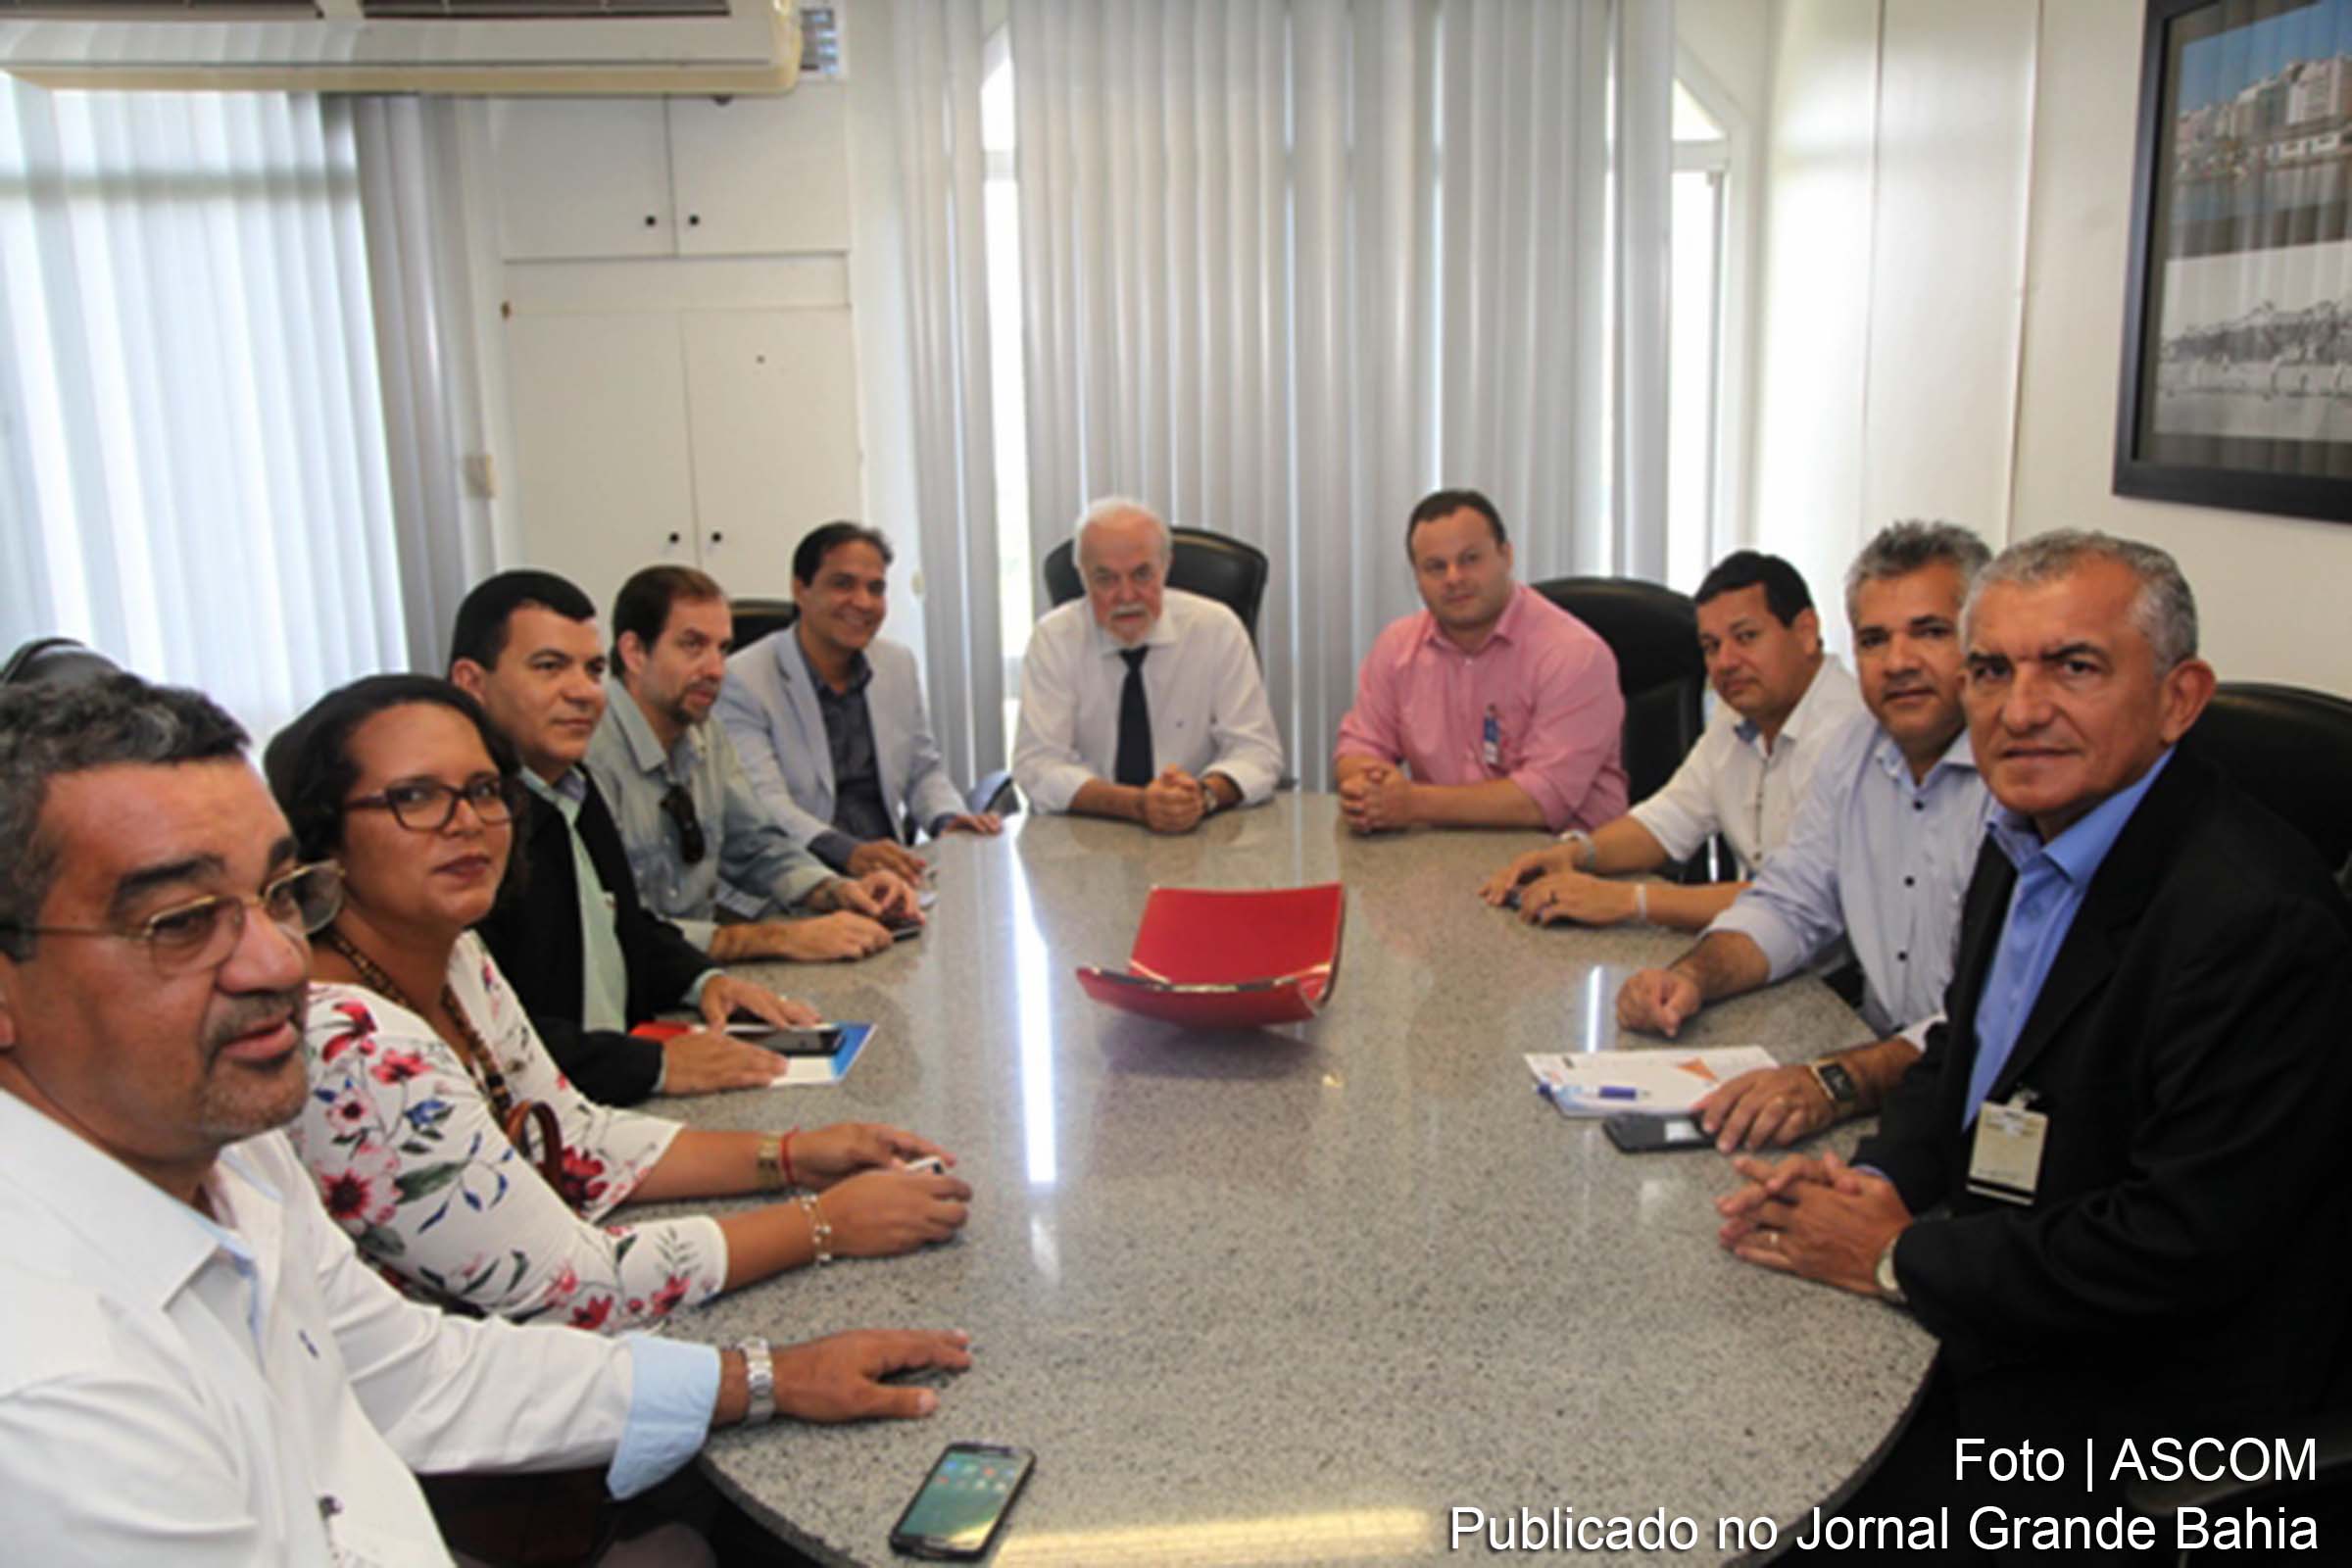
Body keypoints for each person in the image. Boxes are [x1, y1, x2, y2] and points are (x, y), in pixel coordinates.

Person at [0, 674, 972, 1563]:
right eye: (178, 922)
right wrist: (816, 1224)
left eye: (278, 897)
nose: (278, 963)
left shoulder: (230, 1150)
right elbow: (559, 1289)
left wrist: (768, 1373)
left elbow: (418, 1372)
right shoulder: (55, 1396)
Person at [1715, 531, 2352, 1522]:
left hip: (2138, 1409)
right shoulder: (2023, 837)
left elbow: (2178, 1247)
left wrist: (1894, 1254)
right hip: (2003, 1302)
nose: (2020, 711)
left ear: (2180, 697)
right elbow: (1960, 1064)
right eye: (1992, 670)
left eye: (2075, 667)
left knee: (1790, 1520)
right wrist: (1870, 1182)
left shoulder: (2257, 921)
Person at [267, 674, 973, 1333]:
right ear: (324, 836)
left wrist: (794, 1154)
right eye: (414, 797)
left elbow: (575, 1138)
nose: (467, 821)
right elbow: (561, 1285)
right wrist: (823, 1224)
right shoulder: (349, 1044)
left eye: (484, 789)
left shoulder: (453, 952)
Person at [1615, 521, 1995, 1151]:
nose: (1898, 662)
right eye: (1875, 640)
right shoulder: (1858, 750)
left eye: (1929, 632)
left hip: (1980, 1101)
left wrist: (1836, 1082)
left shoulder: (2021, 782)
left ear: (1984, 643)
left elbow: (1988, 1019)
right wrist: (1692, 976)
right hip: (1886, 1079)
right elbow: (1791, 903)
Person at [449, 569, 818, 1107]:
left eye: (592, 669)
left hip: (615, 1083)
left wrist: (705, 981)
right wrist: (656, 1063)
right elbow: (490, 1034)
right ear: (471, 683)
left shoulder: (569, 786)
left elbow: (623, 926)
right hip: (555, 1116)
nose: (582, 692)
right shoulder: (464, 831)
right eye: (550, 667)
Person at [1479, 549, 1863, 929]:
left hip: (1833, 978)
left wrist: (1629, 901)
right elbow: (1670, 819)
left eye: (1746, 637)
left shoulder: (1849, 735)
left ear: (1806, 633)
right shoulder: (1740, 717)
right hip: (1766, 946)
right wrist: (1576, 855)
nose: (1725, 662)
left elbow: (1794, 896)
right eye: (1711, 646)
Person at [589, 564, 919, 962]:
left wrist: (836, 891)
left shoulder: (705, 734)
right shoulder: (587, 755)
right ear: (635, 652)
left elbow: (756, 845)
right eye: (693, 645)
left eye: (722, 649)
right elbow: (613, 929)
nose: (715, 670)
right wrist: (776, 938)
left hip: (693, 976)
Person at [717, 521, 1001, 883]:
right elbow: (766, 805)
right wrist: (848, 852)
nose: (863, 603)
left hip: (891, 871)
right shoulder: (743, 679)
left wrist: (947, 820)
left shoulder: (896, 664)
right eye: (843, 584)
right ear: (800, 590)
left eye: (876, 588)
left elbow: (922, 770)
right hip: (801, 879)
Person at [1334, 488, 1628, 835]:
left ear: (1507, 556)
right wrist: (1369, 783)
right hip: (1443, 858)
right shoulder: (1397, 647)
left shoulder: (1573, 654)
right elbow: (1358, 746)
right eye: (1435, 567)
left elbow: (1542, 799)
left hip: (1569, 863)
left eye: (1471, 559)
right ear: (1416, 578)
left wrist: (1411, 803)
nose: (1454, 578)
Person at [1010, 497, 1284, 831]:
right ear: (1082, 577)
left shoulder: (1217, 628)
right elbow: (1037, 764)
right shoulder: (1054, 638)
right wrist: (1135, 805)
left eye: (1142, 575)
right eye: (1106, 579)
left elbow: (1258, 753)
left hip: (1201, 835)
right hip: (1090, 836)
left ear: (1165, 567)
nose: (1127, 596)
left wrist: (1201, 796)